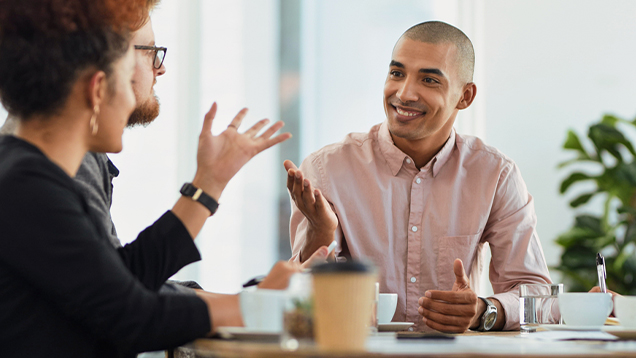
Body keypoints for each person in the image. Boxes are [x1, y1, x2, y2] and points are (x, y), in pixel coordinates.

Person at [0, 1, 325, 357]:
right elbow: (131, 316)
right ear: (96, 90)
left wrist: (209, 184)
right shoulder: (28, 189)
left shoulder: (30, 176)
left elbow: (121, 280)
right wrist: (255, 305)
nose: (131, 99)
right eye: (126, 79)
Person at [285, 21, 552, 333]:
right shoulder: (326, 169)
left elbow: (539, 297)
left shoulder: (494, 174)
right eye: (397, 73)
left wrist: (484, 310)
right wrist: (320, 232)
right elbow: (301, 298)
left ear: (464, 96)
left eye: (428, 80)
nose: (404, 93)